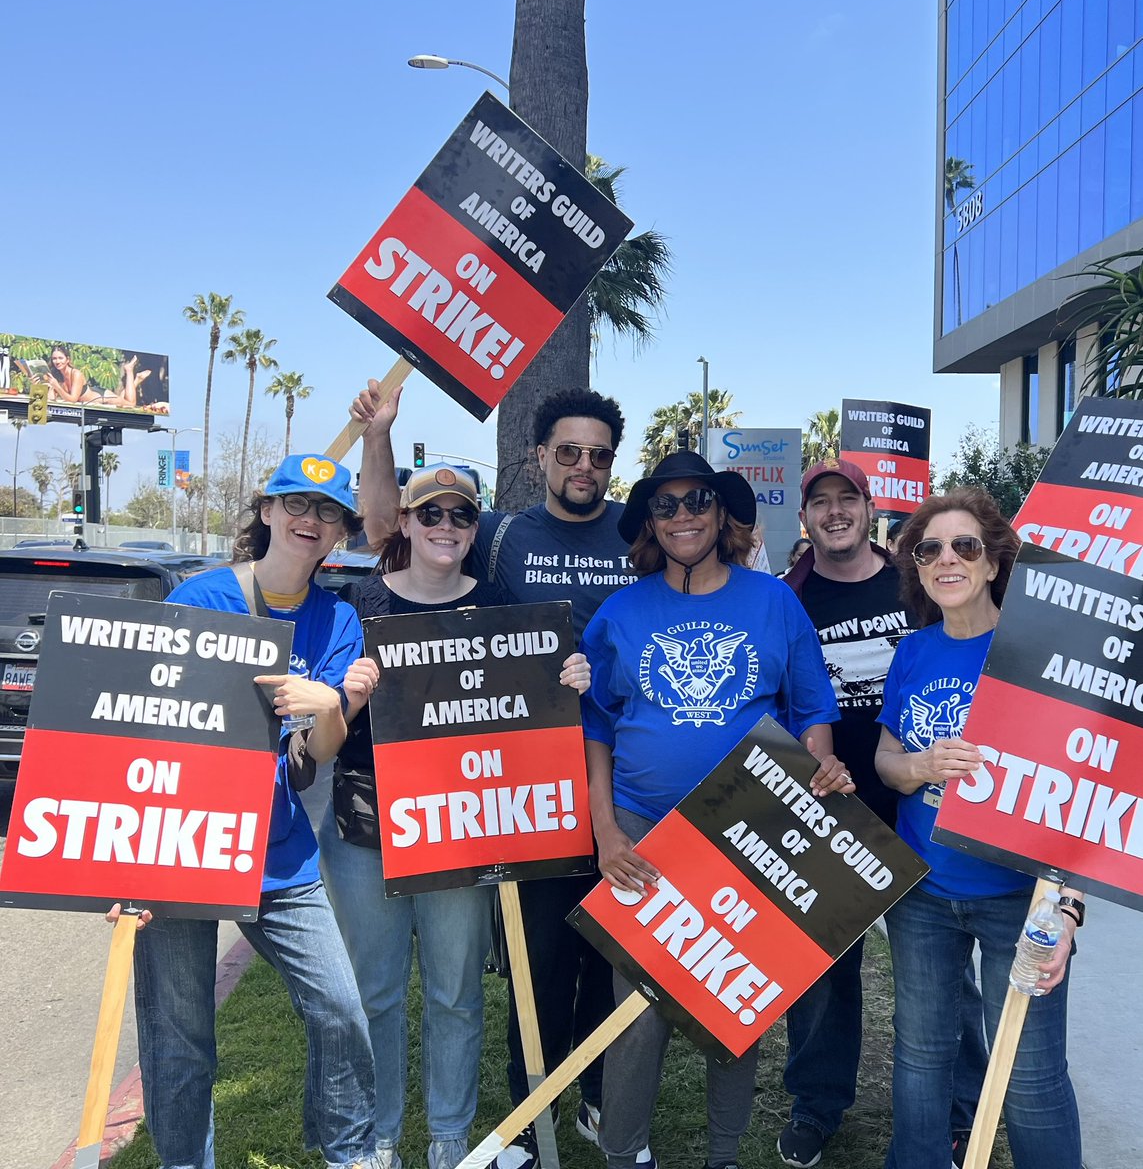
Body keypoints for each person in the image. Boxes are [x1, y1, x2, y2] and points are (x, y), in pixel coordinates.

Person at [353, 381, 638, 1167]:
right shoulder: (497, 533)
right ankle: (530, 1100)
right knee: (536, 952)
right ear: (538, 456)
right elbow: (389, 529)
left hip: (622, 771)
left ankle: (592, 1092)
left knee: (609, 951)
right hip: (526, 782)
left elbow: (697, 554)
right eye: (569, 451)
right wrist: (380, 436)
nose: (584, 465)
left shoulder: (636, 531)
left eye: (598, 455)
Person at [580, 450, 851, 1169]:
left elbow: (810, 705)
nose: (682, 516)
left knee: (736, 994)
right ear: (647, 523)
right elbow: (595, 725)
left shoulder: (773, 601)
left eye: (697, 500)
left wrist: (817, 757)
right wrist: (605, 831)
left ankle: (723, 1154)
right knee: (638, 1001)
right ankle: (624, 1151)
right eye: (664, 506)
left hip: (749, 821)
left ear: (722, 511)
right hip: (641, 825)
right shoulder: (619, 614)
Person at [319, 463, 592, 1169]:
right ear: (403, 523)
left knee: (455, 993)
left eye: (460, 516)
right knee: (374, 992)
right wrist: (345, 695)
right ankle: (378, 1136)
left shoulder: (499, 603)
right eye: (430, 515)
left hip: (462, 828)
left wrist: (566, 681)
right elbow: (325, 732)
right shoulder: (360, 604)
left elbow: (528, 712)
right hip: (368, 825)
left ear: (476, 529)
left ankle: (447, 1132)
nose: (446, 528)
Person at [127, 453, 382, 1169]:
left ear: (339, 534)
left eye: (327, 511)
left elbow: (308, 762)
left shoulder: (337, 621)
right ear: (266, 511)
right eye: (296, 504)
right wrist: (112, 863)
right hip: (179, 844)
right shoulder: (204, 596)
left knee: (339, 1009)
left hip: (278, 847)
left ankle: (351, 1154)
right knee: (181, 1038)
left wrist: (336, 705)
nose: (310, 520)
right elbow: (136, 725)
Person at [777, 460, 987, 1167]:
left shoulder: (918, 580)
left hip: (919, 803)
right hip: (827, 803)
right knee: (822, 969)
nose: (834, 513)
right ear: (803, 518)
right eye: (820, 504)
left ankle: (962, 1109)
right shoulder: (789, 597)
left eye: (847, 499)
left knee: (940, 974)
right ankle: (816, 1102)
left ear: (869, 508)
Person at [876, 487, 1083, 1169]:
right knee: (920, 1058)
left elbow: (1085, 791)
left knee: (1029, 1078)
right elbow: (884, 761)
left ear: (993, 563)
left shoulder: (1038, 653)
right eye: (928, 548)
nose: (946, 558)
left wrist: (1069, 906)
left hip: (1016, 898)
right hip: (922, 892)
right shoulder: (912, 652)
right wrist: (918, 764)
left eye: (965, 545)